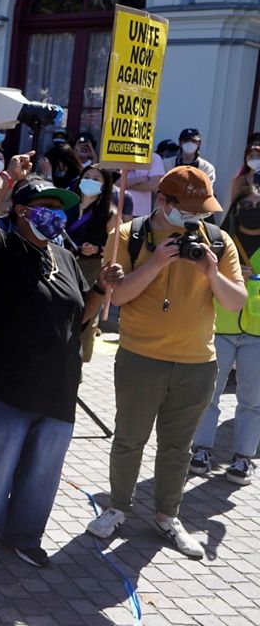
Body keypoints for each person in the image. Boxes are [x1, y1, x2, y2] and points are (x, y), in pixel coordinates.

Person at [0, 157, 121, 575]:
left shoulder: (64, 256)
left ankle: (24, 536)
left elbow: (79, 316)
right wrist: (7, 177)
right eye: (45, 206)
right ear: (21, 211)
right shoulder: (1, 248)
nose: (56, 215)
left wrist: (100, 288)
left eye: (60, 208)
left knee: (41, 476)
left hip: (57, 388)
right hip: (3, 386)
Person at [87, 166, 245, 558]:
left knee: (178, 447)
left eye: (203, 210)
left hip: (197, 363)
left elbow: (235, 302)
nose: (198, 217)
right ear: (163, 201)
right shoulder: (128, 234)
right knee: (129, 439)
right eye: (190, 209)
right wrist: (157, 262)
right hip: (141, 358)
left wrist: (211, 272)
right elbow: (118, 297)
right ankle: (117, 508)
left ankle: (167, 515)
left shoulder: (217, 241)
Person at [190, 185, 260, 486]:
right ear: (237, 209)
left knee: (252, 400)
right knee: (209, 394)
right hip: (220, 326)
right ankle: (201, 450)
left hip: (257, 333)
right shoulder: (219, 241)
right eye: (247, 205)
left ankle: (243, 457)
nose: (253, 210)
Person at [66, 166, 120, 362]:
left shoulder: (110, 214)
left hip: (91, 268)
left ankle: (78, 361)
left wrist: (97, 249)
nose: (89, 181)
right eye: (86, 176)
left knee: (86, 314)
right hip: (64, 263)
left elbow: (116, 248)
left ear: (105, 185)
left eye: (96, 179)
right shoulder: (67, 205)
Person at [229, 132, 260, 205]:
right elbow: (233, 205)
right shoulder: (239, 180)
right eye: (251, 155)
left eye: (258, 155)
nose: (255, 158)